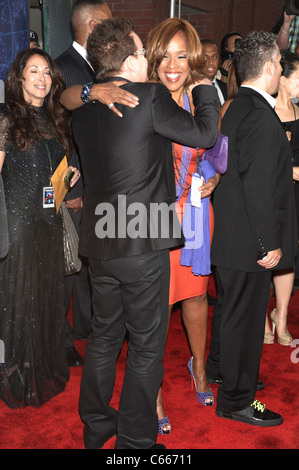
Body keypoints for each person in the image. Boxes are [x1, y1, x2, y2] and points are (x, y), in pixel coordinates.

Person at [65, 17, 218, 449]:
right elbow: (206, 133)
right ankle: (136, 443)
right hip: (142, 238)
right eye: (140, 52)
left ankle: (97, 429)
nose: (145, 61)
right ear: (130, 60)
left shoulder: (85, 108)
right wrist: (205, 83)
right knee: (147, 346)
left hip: (100, 242)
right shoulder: (147, 96)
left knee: (104, 338)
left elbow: (69, 99)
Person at [209, 31, 297, 426]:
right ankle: (236, 399)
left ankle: (219, 372)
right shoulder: (261, 116)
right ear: (267, 68)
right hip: (248, 239)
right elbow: (259, 187)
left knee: (229, 312)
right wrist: (269, 244)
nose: (281, 69)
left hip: (229, 235)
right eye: (279, 63)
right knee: (244, 321)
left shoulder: (236, 107)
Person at [145, 18, 221, 433]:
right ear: (153, 60)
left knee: (195, 297)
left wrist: (215, 177)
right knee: (156, 306)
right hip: (157, 215)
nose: (173, 65)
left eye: (181, 56)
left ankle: (199, 369)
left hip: (196, 211)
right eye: (165, 56)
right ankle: (152, 391)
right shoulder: (145, 101)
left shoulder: (200, 99)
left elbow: (215, 148)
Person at [55, 0, 136, 366]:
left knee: (90, 263)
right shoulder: (65, 67)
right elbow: (61, 131)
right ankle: (70, 338)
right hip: (75, 184)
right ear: (91, 25)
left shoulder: (90, 65)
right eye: (107, 22)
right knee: (71, 264)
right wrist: (74, 189)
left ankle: (88, 332)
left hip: (98, 186)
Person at [0, 48, 80, 408]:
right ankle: (13, 371)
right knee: (18, 302)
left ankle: (37, 366)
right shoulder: (6, 119)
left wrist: (67, 177)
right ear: (19, 78)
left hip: (49, 223)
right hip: (18, 227)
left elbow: (50, 177)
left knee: (45, 299)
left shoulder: (55, 119)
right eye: (33, 71)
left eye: (47, 72)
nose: (42, 78)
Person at [263, 50, 299, 346]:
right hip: (271, 193)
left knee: (287, 256)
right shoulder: (265, 112)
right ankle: (262, 317)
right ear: (283, 79)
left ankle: (281, 316)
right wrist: (291, 169)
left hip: (296, 194)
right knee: (265, 253)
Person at [201, 39, 227, 105]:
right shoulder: (191, 90)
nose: (211, 62)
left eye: (214, 57)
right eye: (205, 57)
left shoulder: (226, 88)